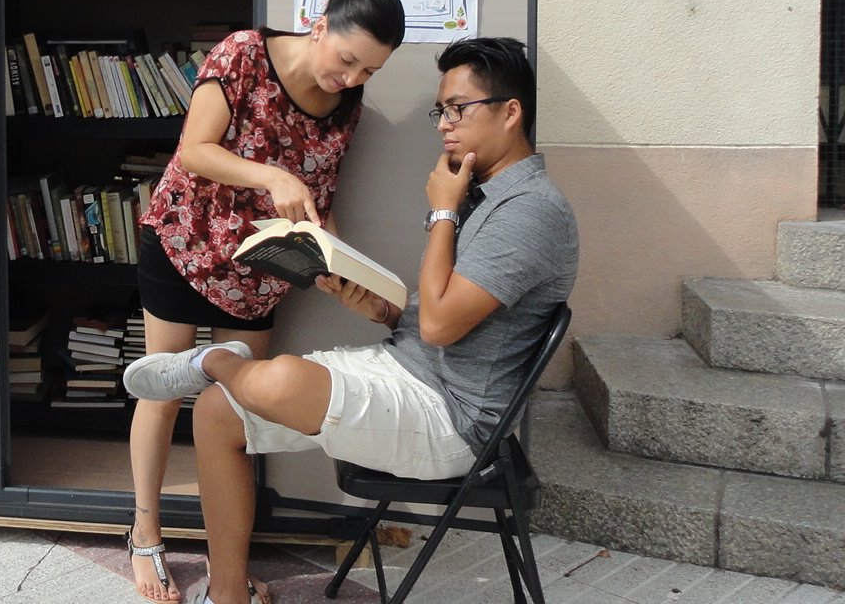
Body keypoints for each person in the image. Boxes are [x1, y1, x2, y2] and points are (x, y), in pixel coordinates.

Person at [122, 37, 579, 604]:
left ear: (511, 112)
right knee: (217, 414)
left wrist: (441, 209)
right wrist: (384, 308)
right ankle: (229, 593)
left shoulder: (530, 211)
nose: (444, 125)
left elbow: (440, 328)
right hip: (408, 369)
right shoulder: (481, 193)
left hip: (452, 417)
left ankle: (215, 359)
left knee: (274, 379)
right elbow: (438, 316)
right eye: (442, 110)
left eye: (458, 109)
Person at [125, 0, 407, 603]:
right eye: (346, 58)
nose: (352, 77)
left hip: (259, 271)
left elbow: (319, 204)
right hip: (184, 242)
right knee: (163, 387)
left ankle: (228, 564)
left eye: (369, 70)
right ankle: (146, 532)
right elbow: (194, 151)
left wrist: (341, 267)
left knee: (236, 414)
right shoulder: (243, 54)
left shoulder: (346, 106)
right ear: (318, 27)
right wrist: (271, 173)